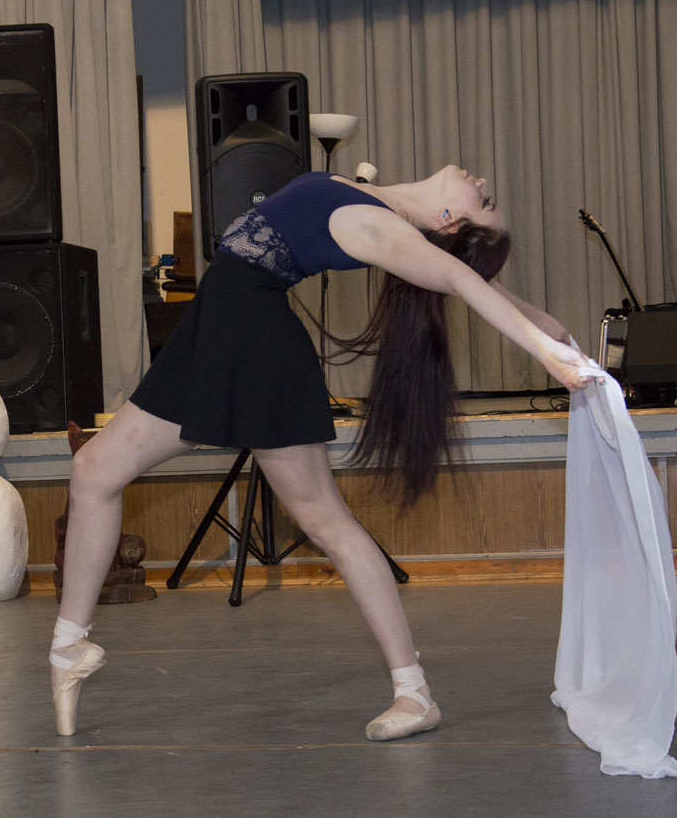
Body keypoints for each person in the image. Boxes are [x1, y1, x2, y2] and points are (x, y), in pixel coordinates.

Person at [49, 166, 595, 740]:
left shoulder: (382, 229)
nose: (480, 179)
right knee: (93, 469)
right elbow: (468, 276)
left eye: (484, 199)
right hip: (210, 334)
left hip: (255, 344)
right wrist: (549, 326)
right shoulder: (370, 195)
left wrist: (545, 351)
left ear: (449, 221)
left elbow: (462, 280)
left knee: (325, 520)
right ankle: (68, 648)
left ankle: (414, 692)